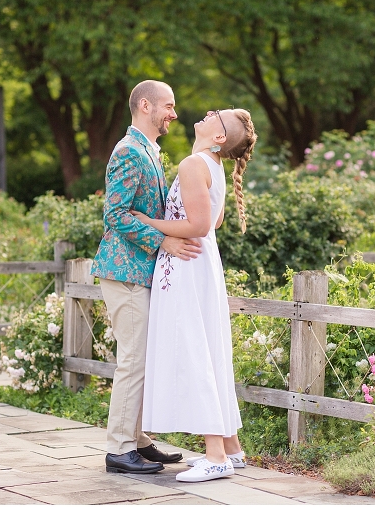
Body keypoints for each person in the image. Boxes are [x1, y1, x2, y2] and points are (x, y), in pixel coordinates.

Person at [134, 108, 257, 482]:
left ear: (220, 137)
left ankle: (216, 456)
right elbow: (215, 219)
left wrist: (148, 223)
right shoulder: (210, 165)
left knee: (193, 351)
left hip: (186, 269)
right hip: (200, 266)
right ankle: (231, 448)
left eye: (214, 115)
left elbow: (202, 224)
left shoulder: (193, 164)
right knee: (207, 349)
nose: (207, 113)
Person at [91, 80, 202, 475]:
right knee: (133, 361)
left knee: (143, 360)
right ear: (145, 105)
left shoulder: (148, 151)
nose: (174, 113)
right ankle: (119, 449)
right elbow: (115, 216)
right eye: (168, 106)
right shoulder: (128, 151)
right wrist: (164, 242)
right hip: (125, 272)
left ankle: (138, 440)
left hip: (140, 273)